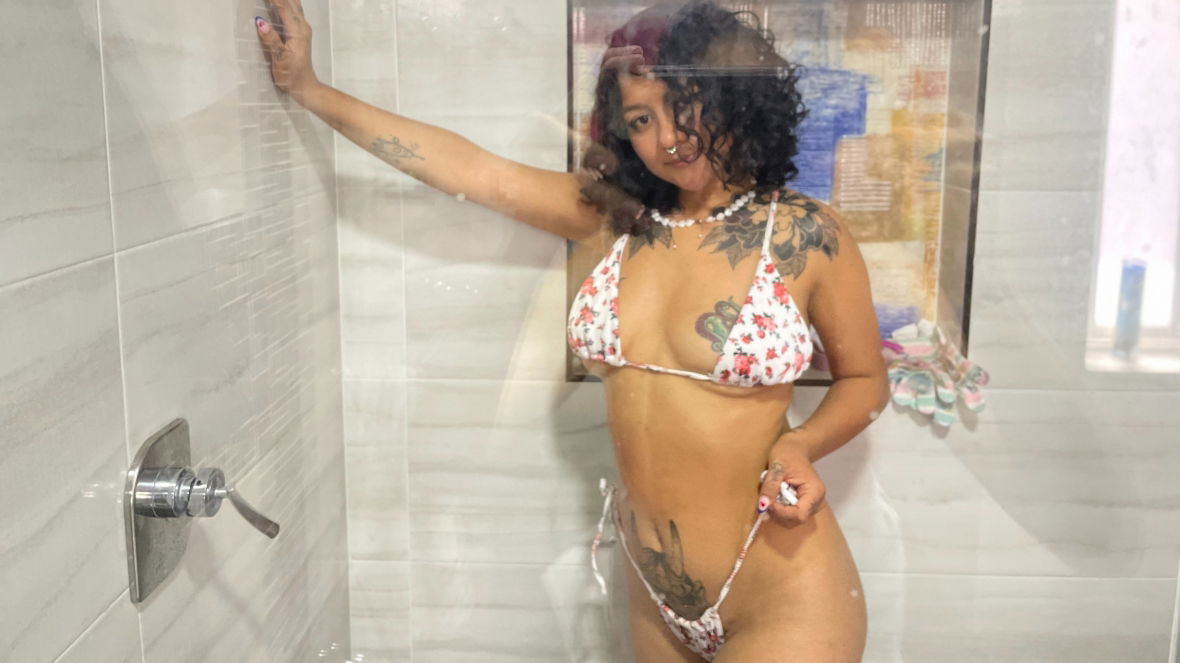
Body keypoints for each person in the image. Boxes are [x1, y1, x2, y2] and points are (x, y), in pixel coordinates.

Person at [257, 1, 888, 660]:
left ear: (734, 96)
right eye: (641, 120)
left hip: (780, 584)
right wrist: (308, 88)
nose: (669, 138)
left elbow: (865, 379)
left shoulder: (805, 234)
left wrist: (801, 444)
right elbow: (469, 169)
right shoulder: (616, 221)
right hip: (654, 591)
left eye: (686, 104)